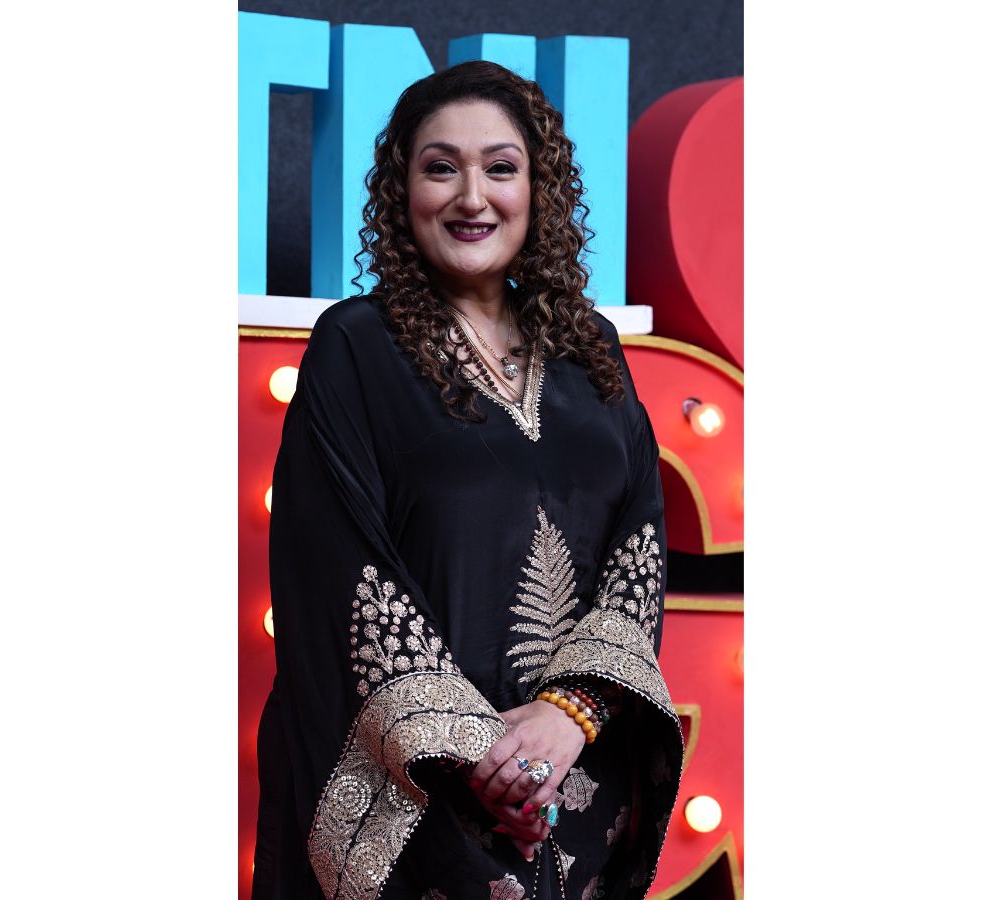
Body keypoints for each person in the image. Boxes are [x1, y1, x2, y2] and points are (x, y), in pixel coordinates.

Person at [253, 60, 683, 900]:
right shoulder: (357, 346)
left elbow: (638, 544)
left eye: (501, 167)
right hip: (427, 798)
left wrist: (570, 716)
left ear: (539, 189)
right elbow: (339, 568)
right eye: (441, 167)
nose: (472, 197)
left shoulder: (591, 352)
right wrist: (481, 755)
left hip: (579, 782)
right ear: (402, 191)